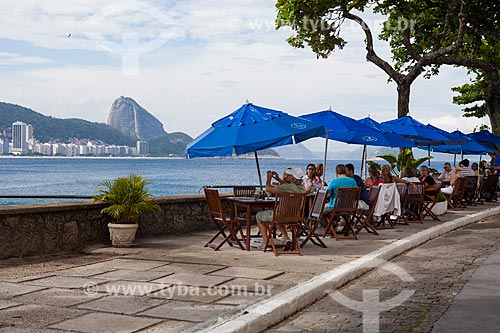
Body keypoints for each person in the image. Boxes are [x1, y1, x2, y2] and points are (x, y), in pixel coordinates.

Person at [255, 168, 305, 248]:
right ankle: (287, 239)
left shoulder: (287, 187)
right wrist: (278, 178)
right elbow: (286, 186)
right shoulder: (302, 188)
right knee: (280, 215)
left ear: (293, 178)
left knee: (259, 215)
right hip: (295, 218)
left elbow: (268, 189)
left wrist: (268, 179)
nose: (287, 176)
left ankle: (266, 241)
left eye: (289, 175)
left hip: (280, 217)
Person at [317, 164, 357, 231]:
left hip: (336, 207)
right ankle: (333, 223)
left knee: (319, 211)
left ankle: (328, 227)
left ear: (336, 173)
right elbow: (355, 194)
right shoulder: (353, 181)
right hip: (350, 207)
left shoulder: (334, 182)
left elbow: (327, 195)